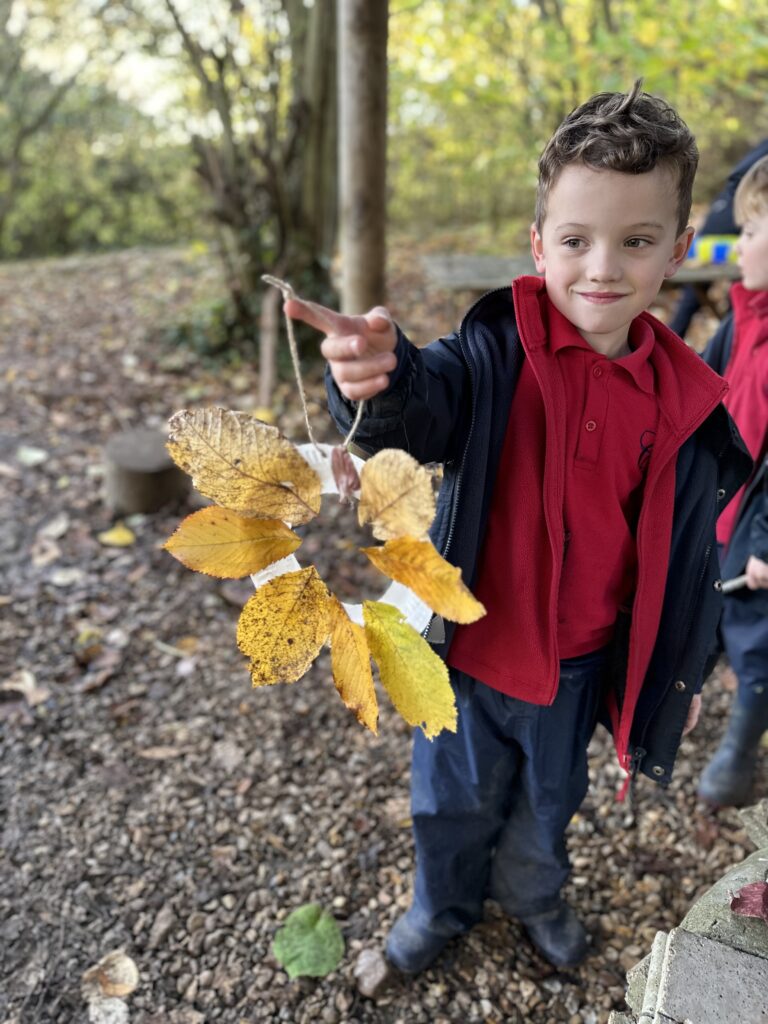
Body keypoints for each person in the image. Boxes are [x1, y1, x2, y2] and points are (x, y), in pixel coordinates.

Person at [286, 82, 751, 973]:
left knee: (549, 800)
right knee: (450, 801)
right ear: (540, 244)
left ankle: (535, 896)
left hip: (576, 668)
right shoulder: (498, 353)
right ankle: (441, 907)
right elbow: (429, 405)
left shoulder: (688, 405)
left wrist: (684, 670)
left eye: (637, 241)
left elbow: (691, 555)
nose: (602, 268)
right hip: (465, 656)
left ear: (680, 251)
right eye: (576, 241)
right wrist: (380, 378)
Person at [697, 156, 768, 808]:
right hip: (725, 510)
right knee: (710, 615)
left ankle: (739, 756)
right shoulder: (742, 318)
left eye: (751, 229)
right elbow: (697, 385)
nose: (737, 244)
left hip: (758, 532)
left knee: (755, 641)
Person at [668, 137, 768, 338]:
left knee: (738, 292)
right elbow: (739, 175)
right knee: (700, 296)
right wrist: (745, 204)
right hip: (730, 214)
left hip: (733, 213)